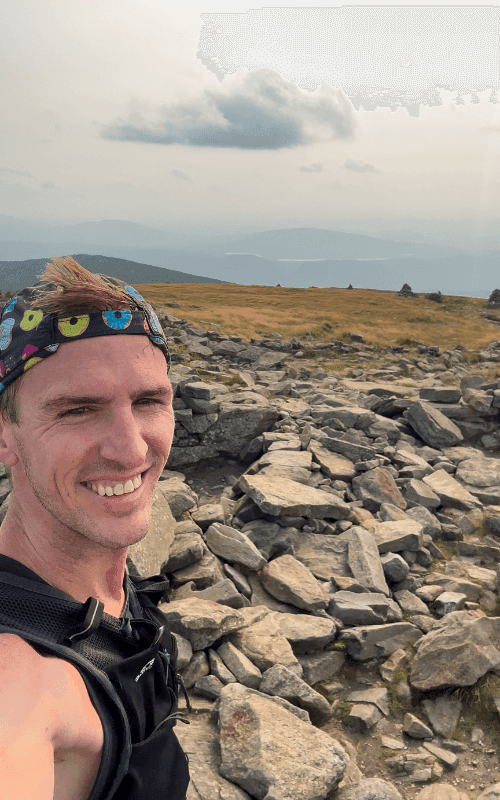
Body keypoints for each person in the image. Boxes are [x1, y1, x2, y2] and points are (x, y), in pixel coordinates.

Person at [0, 256, 190, 799]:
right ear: (4, 436)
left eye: (150, 400)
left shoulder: (97, 568)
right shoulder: (19, 681)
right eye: (79, 410)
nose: (131, 449)